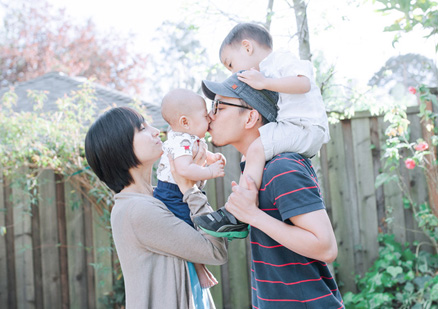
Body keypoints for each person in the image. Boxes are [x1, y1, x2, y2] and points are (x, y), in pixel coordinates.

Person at [194, 73, 343, 308]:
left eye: (219, 107)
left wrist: (253, 216)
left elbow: (326, 247)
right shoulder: (259, 169)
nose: (210, 116)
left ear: (251, 117)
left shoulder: (281, 168)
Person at [84, 106, 227, 308]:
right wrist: (190, 190)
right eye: (142, 128)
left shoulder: (155, 198)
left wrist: (191, 184)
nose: (155, 131)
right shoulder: (138, 211)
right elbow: (215, 251)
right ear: (119, 149)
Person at [199, 22, 330, 234]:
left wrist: (264, 83)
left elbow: (304, 84)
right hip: (294, 126)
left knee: (256, 149)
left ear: (247, 47)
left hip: (305, 127)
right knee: (251, 156)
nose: (233, 72)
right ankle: (240, 207)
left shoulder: (281, 59)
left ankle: (240, 211)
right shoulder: (268, 71)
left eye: (231, 64)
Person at [153, 88, 231, 289]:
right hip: (172, 194)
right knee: (191, 231)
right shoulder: (181, 140)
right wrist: (211, 172)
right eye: (205, 116)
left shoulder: (190, 138)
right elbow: (184, 169)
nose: (210, 119)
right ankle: (199, 269)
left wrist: (212, 158)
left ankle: (200, 269)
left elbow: (197, 155)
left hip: (178, 191)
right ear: (185, 122)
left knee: (195, 227)